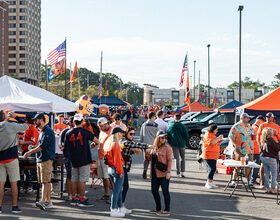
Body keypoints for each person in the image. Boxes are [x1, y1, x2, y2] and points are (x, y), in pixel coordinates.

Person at [64, 113, 99, 207]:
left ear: (73, 122)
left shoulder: (68, 133)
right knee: (82, 179)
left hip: (73, 159)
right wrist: (93, 145)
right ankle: (82, 199)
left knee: (74, 179)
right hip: (84, 158)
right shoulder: (85, 131)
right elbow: (97, 141)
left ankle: (74, 198)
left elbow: (65, 148)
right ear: (82, 121)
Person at [24, 113, 55, 210]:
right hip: (42, 158)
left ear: (41, 120)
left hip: (46, 159)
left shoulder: (47, 131)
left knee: (45, 181)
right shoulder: (42, 131)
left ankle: (43, 201)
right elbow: (41, 145)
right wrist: (32, 148)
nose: (34, 122)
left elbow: (42, 146)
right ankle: (48, 201)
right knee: (45, 181)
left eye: (35, 120)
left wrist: (29, 152)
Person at [119, 127, 153, 214]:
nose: (132, 135)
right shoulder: (124, 141)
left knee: (121, 187)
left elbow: (127, 151)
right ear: (126, 133)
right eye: (131, 134)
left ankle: (119, 205)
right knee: (124, 187)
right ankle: (120, 206)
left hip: (123, 168)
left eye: (134, 134)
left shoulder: (126, 142)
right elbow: (134, 144)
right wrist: (148, 146)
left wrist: (133, 151)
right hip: (121, 168)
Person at [0, 111, 28, 214]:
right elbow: (25, 126)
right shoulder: (11, 126)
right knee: (14, 183)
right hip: (11, 158)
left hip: (0, 158)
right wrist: (16, 117)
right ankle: (14, 206)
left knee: (1, 184)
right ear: (5, 118)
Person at [103, 127, 126, 218]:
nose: (122, 135)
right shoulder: (115, 144)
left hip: (111, 169)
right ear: (117, 134)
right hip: (116, 169)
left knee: (118, 190)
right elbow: (117, 160)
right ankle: (114, 209)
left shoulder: (110, 143)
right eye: (121, 133)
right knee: (117, 191)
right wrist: (120, 171)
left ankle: (120, 207)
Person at [228, 113, 255, 187]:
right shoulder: (236, 126)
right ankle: (233, 181)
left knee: (248, 166)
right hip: (240, 150)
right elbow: (230, 136)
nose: (249, 119)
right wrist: (234, 144)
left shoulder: (249, 127)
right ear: (242, 118)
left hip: (249, 150)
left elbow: (253, 136)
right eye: (247, 118)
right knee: (238, 166)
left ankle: (249, 182)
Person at [150, 131, 172, 217]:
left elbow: (170, 160)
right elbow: (151, 159)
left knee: (165, 192)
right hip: (154, 173)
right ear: (157, 138)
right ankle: (158, 208)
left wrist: (169, 172)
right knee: (154, 190)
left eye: (165, 137)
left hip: (163, 173)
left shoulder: (167, 148)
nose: (164, 139)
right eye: (162, 137)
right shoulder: (154, 147)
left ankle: (167, 210)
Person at [257, 112, 280, 188]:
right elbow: (258, 136)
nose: (268, 118)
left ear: (273, 118)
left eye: (270, 117)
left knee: (274, 168)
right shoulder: (262, 125)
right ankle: (262, 182)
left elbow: (279, 137)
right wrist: (260, 146)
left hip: (274, 147)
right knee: (264, 167)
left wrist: (277, 134)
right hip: (265, 147)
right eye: (267, 117)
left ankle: (273, 184)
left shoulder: (276, 126)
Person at [19, 114, 39, 193]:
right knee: (26, 171)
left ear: (27, 120)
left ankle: (35, 188)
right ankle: (25, 187)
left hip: (31, 151)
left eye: (25, 120)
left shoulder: (32, 128)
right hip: (26, 151)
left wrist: (23, 142)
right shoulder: (28, 128)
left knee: (32, 170)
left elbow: (33, 141)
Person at [167, 113, 189, 178]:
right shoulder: (183, 126)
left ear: (174, 118)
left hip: (174, 144)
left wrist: (170, 142)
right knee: (183, 158)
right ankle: (183, 172)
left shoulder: (171, 126)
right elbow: (186, 135)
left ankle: (178, 173)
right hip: (182, 144)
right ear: (180, 118)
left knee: (176, 158)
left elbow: (168, 135)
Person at [202, 124, 223, 189]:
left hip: (213, 155)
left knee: (212, 169)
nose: (217, 131)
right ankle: (208, 182)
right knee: (212, 168)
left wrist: (219, 141)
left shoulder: (212, 135)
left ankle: (210, 182)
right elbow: (211, 143)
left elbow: (214, 143)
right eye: (216, 130)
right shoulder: (208, 135)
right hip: (209, 155)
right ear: (213, 130)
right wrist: (218, 138)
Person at [96, 117, 112, 203]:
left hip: (107, 157)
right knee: (104, 177)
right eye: (99, 127)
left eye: (101, 126)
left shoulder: (112, 131)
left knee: (108, 177)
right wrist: (95, 143)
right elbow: (100, 141)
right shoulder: (101, 131)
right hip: (101, 156)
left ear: (106, 124)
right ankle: (107, 194)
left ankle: (113, 195)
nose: (100, 128)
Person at [259, 127, 280, 194]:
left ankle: (267, 188)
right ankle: (273, 188)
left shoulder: (262, 140)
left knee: (266, 173)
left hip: (264, 158)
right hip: (271, 158)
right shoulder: (271, 140)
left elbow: (261, 150)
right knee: (274, 174)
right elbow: (277, 148)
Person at [140, 112, 159, 179]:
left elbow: (141, 135)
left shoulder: (144, 125)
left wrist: (141, 144)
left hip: (146, 145)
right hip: (154, 145)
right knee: (153, 160)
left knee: (146, 159)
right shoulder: (156, 125)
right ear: (153, 117)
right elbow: (158, 136)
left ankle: (145, 170)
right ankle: (152, 174)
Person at [59, 116, 74, 201]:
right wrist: (63, 146)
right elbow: (61, 145)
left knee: (75, 177)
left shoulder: (77, 131)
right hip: (68, 156)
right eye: (73, 121)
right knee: (69, 176)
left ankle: (74, 194)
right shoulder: (65, 132)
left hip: (76, 157)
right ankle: (69, 195)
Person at [250, 115, 265, 187]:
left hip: (254, 149)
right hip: (256, 149)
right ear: (260, 121)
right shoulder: (256, 128)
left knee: (254, 165)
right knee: (256, 165)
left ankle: (253, 179)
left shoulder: (253, 127)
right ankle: (253, 180)